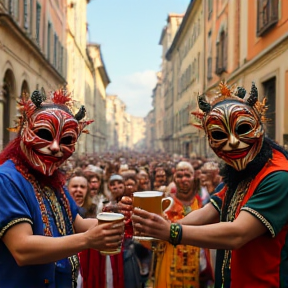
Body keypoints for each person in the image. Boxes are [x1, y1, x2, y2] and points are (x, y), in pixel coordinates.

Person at [132, 82, 288, 288]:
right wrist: (162, 225)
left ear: (259, 126)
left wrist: (172, 232)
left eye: (242, 128)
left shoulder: (279, 176)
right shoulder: (244, 170)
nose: (232, 142)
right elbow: (210, 211)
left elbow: (238, 234)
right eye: (219, 134)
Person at [0, 89, 124, 288]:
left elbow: (80, 224)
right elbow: (22, 249)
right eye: (44, 134)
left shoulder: (52, 180)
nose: (56, 147)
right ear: (24, 130)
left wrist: (122, 222)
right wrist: (86, 240)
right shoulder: (6, 179)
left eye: (66, 139)